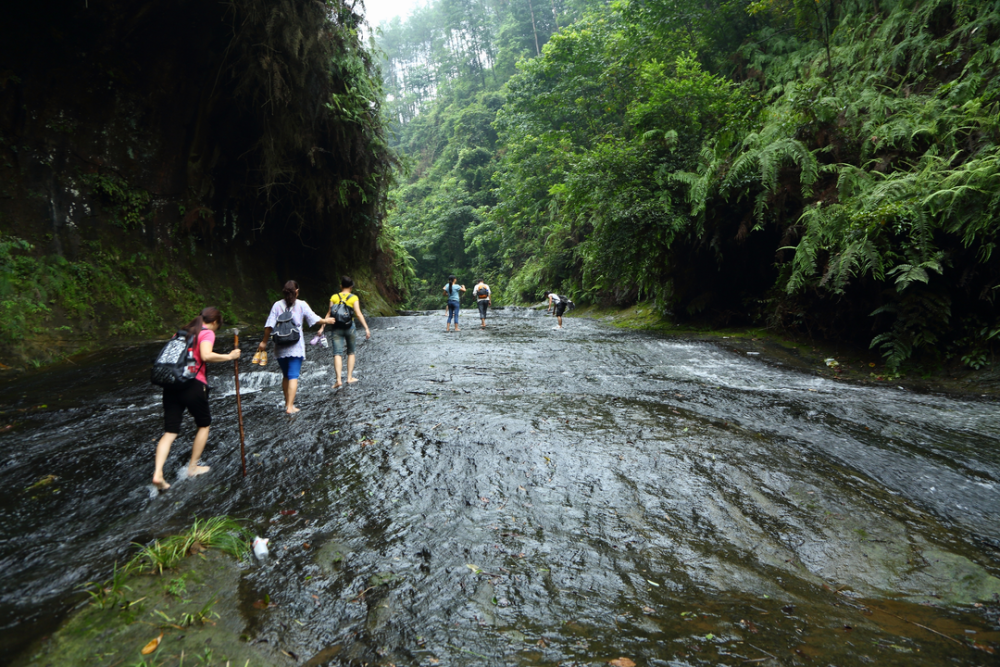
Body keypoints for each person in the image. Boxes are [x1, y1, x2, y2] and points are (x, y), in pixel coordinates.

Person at [152, 307, 240, 491]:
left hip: (171, 384)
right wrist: (230, 356)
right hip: (192, 384)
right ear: (215, 322)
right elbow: (206, 355)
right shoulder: (207, 333)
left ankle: (158, 473)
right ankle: (193, 467)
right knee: (204, 424)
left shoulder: (181, 332)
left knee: (170, 431)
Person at [257, 280, 336, 414]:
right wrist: (326, 321)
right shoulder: (301, 305)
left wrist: (264, 342)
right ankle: (290, 407)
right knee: (293, 375)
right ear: (297, 291)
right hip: (295, 346)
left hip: (280, 346)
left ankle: (287, 403)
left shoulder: (277, 305)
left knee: (286, 376)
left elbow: (269, 325)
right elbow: (314, 318)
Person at [316, 275, 372, 388]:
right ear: (351, 287)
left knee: (337, 353)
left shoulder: (334, 297)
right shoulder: (354, 298)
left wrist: (322, 327)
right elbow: (358, 313)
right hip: (349, 327)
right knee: (351, 352)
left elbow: (329, 314)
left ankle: (338, 380)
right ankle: (349, 377)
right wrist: (366, 328)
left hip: (336, 327)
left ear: (341, 286)